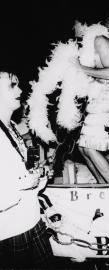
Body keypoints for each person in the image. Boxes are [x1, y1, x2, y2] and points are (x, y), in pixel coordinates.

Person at [0, 72, 53, 268]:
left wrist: (39, 177)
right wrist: (24, 182)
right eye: (12, 85)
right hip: (11, 230)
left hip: (32, 220)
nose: (20, 90)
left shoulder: (12, 126)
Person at [75, 11, 109, 184]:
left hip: (106, 99)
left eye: (74, 24)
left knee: (88, 146)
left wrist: (82, 68)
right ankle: (103, 186)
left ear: (83, 24)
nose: (73, 29)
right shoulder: (97, 42)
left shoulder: (99, 40)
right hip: (101, 97)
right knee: (83, 147)